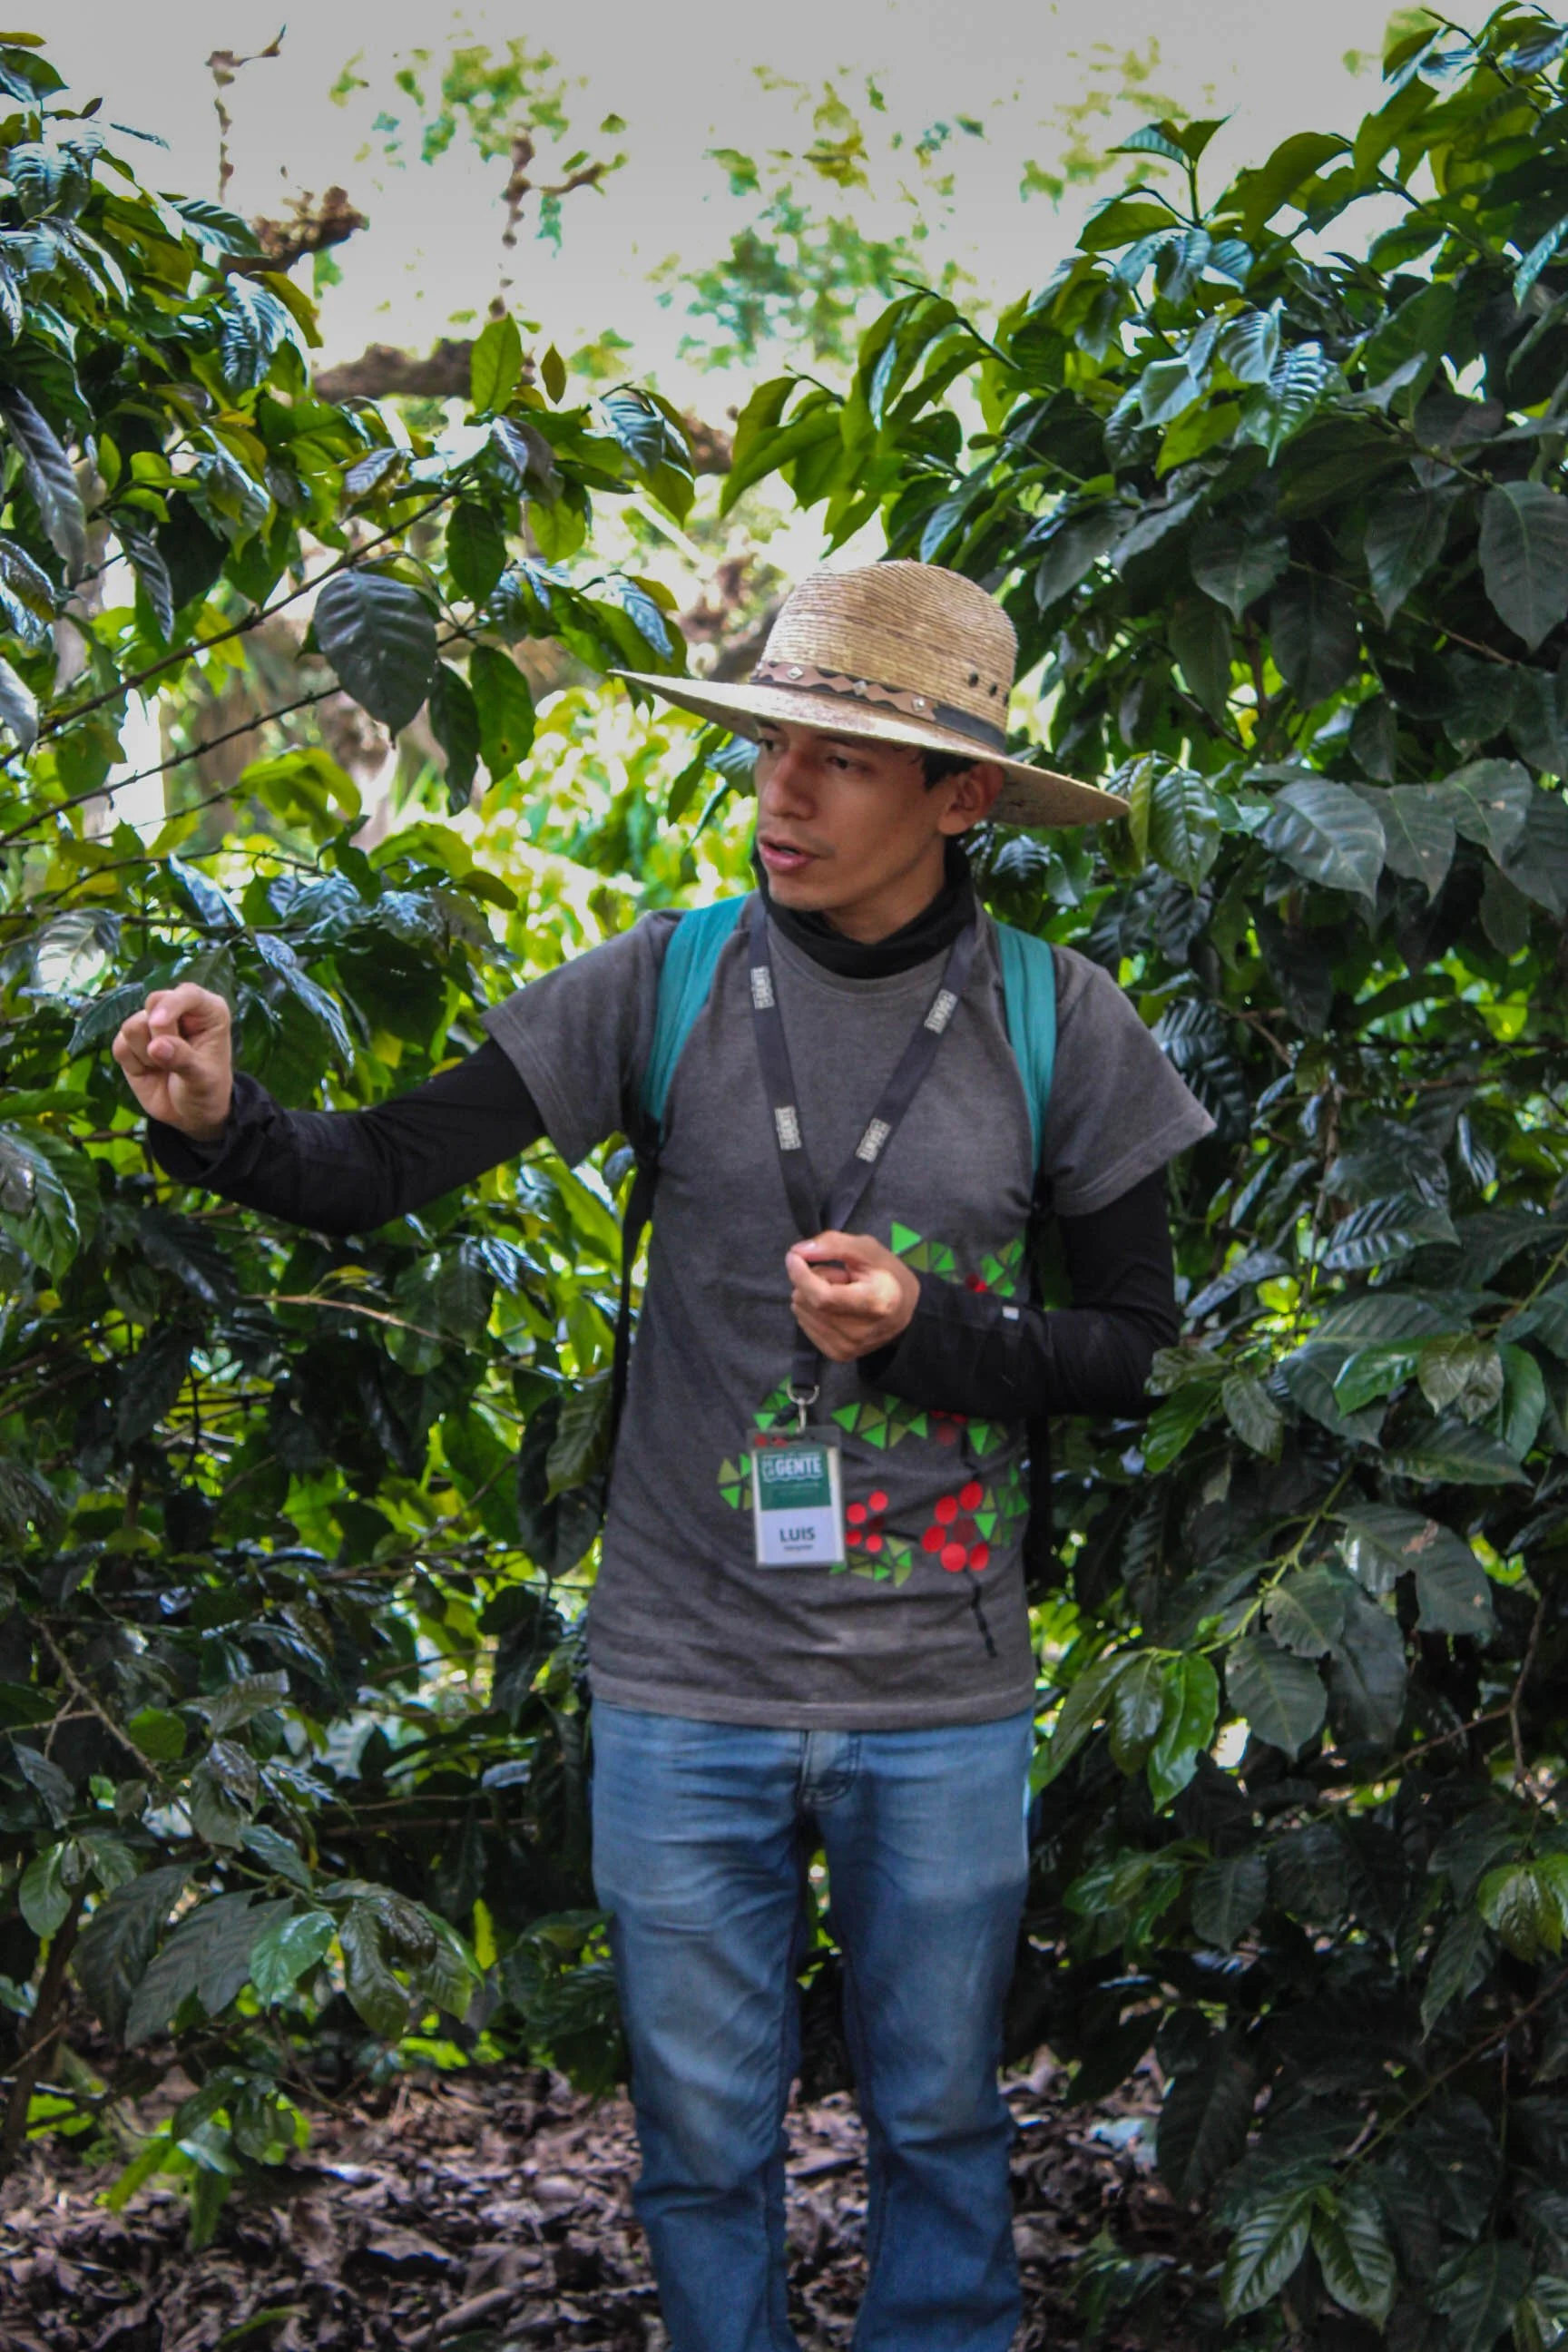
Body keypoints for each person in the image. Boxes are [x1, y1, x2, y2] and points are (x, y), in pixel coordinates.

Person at [113, 561, 1213, 2352]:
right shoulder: (674, 979)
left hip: (940, 1694)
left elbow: (1137, 1350)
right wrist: (221, 1124)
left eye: (843, 759)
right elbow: (383, 1168)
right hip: (680, 1683)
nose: (785, 789)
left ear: (962, 797)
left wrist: (929, 1330)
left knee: (939, 2126)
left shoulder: (1058, 1018)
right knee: (702, 2154)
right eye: (774, 743)